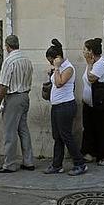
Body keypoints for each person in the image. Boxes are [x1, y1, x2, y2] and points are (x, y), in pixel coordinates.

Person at [43, 39, 87, 176]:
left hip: (66, 106)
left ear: (57, 58)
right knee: (57, 136)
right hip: (56, 106)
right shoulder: (60, 68)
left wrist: (56, 68)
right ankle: (57, 164)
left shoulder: (68, 68)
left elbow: (59, 83)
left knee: (66, 136)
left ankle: (80, 163)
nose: (50, 63)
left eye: (51, 60)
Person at [0, 35, 34, 173]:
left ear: (7, 46)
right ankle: (28, 161)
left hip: (14, 97)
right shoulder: (26, 59)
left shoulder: (9, 60)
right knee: (23, 129)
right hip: (25, 96)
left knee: (10, 132)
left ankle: (9, 163)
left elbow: (3, 85)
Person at [80, 38, 104, 167]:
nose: (83, 52)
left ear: (91, 51)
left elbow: (91, 79)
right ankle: (89, 153)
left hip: (102, 104)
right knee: (89, 128)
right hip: (90, 104)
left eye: (85, 49)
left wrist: (89, 64)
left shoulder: (100, 63)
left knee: (103, 129)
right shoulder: (92, 63)